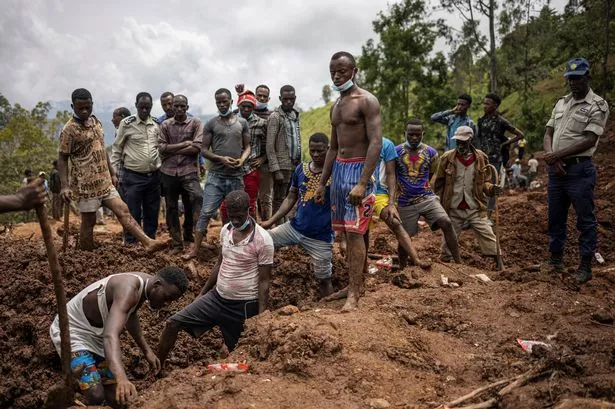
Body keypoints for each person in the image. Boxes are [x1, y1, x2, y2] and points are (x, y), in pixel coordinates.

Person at [158, 191, 273, 371]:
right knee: (173, 323)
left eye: (239, 216)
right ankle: (157, 369)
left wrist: (261, 317)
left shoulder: (263, 240)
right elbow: (220, 263)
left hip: (242, 306)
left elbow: (264, 282)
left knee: (243, 354)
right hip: (216, 298)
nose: (234, 221)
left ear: (249, 210)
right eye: (230, 216)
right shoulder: (226, 230)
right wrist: (202, 294)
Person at [49, 267, 188, 406]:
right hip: (74, 333)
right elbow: (110, 335)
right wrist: (121, 378)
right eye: (167, 297)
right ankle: (72, 390)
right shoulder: (128, 289)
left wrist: (147, 350)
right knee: (96, 395)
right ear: (157, 285)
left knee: (120, 399)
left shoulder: (146, 285)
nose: (167, 304)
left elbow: (130, 315)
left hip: (97, 338)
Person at [314, 51, 382, 311]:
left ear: (354, 70)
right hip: (340, 172)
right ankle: (355, 283)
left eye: (342, 70)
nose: (337, 75)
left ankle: (354, 292)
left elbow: (375, 142)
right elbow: (333, 147)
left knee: (355, 234)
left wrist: (363, 182)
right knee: (346, 232)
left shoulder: (367, 101)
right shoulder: (336, 106)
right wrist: (322, 183)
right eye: (333, 71)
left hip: (358, 171)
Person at [58, 88, 165, 251]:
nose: (85, 111)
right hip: (85, 184)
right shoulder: (69, 129)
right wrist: (64, 186)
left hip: (105, 181)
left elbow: (102, 150)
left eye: (88, 107)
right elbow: (62, 158)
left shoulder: (96, 122)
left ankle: (148, 242)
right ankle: (86, 253)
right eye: (80, 108)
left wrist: (113, 173)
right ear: (73, 107)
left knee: (123, 211)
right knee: (89, 221)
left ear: (92, 104)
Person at [543, 57, 609, 284]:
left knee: (585, 219)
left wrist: (557, 156)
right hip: (556, 171)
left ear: (587, 78)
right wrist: (552, 159)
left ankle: (585, 265)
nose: (573, 83)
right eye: (570, 79)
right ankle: (555, 259)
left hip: (580, 171)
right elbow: (548, 133)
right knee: (555, 217)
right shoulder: (561, 102)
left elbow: (590, 140)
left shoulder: (597, 105)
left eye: (577, 78)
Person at [261, 133, 335, 297]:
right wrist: (270, 221)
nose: (315, 155)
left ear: (328, 149)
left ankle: (328, 312)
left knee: (324, 278)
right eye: (312, 150)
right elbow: (290, 198)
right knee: (262, 241)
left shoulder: (335, 173)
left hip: (320, 237)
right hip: (294, 228)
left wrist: (343, 238)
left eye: (320, 151)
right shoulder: (301, 169)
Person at [184, 89, 250, 260]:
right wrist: (221, 159)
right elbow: (203, 150)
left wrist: (242, 159)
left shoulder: (242, 123)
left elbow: (248, 146)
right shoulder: (211, 124)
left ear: (231, 101)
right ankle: (195, 250)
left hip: (236, 176)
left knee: (238, 213)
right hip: (216, 176)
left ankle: (238, 249)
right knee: (206, 212)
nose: (221, 105)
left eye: (224, 101)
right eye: (218, 102)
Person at [432, 126, 503, 270]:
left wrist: (491, 189)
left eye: (463, 142)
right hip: (453, 206)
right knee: (448, 239)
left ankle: (499, 263)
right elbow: (438, 183)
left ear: (470, 140)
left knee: (487, 234)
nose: (460, 145)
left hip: (475, 206)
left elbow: (485, 182)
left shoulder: (481, 158)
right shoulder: (447, 158)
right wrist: (438, 204)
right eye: (458, 141)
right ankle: (446, 263)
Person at [395, 119, 461, 264]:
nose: (414, 138)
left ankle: (458, 262)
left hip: (426, 197)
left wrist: (422, 187)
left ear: (423, 134)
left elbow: (431, 174)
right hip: (404, 201)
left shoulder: (431, 153)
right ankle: (402, 268)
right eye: (411, 134)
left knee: (446, 222)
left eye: (417, 135)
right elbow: (391, 175)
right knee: (404, 236)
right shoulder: (395, 152)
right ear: (405, 133)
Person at [111, 92, 162, 245]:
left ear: (151, 107)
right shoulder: (127, 123)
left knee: (152, 212)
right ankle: (131, 244)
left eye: (147, 107)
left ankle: (150, 242)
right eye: (141, 107)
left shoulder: (156, 123)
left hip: (154, 176)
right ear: (136, 106)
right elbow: (116, 149)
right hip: (133, 176)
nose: (144, 110)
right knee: (132, 212)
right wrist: (114, 173)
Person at [158, 95, 205, 254]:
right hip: (168, 172)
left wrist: (172, 149)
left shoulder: (195, 123)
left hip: (189, 170)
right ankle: (177, 244)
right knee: (171, 207)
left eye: (182, 106)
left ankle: (193, 237)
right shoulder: (165, 125)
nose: (178, 109)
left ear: (187, 107)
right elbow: (161, 148)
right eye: (176, 106)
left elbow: (197, 147)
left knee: (196, 198)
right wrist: (185, 144)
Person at [475, 93, 524, 218]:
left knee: (492, 185)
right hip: (481, 157)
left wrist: (505, 144)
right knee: (478, 183)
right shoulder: (482, 120)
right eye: (484, 103)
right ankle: (478, 212)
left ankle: (489, 214)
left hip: (495, 157)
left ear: (495, 105)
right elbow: (479, 138)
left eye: (488, 103)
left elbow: (520, 134)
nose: (484, 106)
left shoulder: (501, 121)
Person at [220, 89, 268, 220]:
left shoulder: (261, 123)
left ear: (253, 107)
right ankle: (227, 233)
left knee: (250, 204)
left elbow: (268, 145)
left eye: (250, 106)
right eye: (243, 106)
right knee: (227, 204)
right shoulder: (229, 121)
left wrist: (263, 158)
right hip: (231, 169)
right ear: (238, 106)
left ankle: (250, 233)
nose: (246, 109)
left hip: (250, 169)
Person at [266, 85, 301, 220]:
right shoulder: (275, 117)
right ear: (280, 99)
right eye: (285, 99)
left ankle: (286, 225)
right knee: (279, 198)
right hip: (282, 165)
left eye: (291, 99)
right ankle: (278, 228)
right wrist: (276, 169)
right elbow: (270, 145)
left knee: (291, 197)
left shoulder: (295, 115)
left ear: (294, 98)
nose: (288, 102)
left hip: (295, 164)